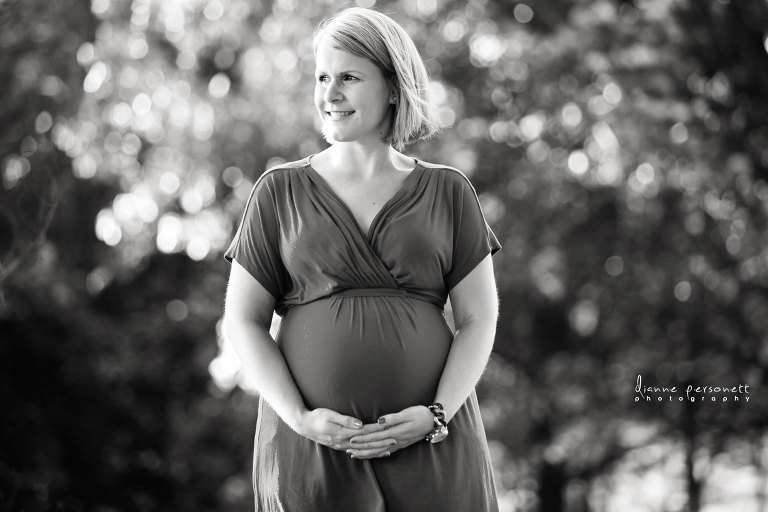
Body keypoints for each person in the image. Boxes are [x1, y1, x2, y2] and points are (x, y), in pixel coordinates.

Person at [223, 7, 502, 511]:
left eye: (348, 77)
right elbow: (242, 322)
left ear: (394, 86)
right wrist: (302, 420)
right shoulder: (278, 192)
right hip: (313, 451)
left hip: (432, 446)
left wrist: (437, 414)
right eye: (322, 77)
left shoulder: (449, 191)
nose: (330, 94)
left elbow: (479, 319)